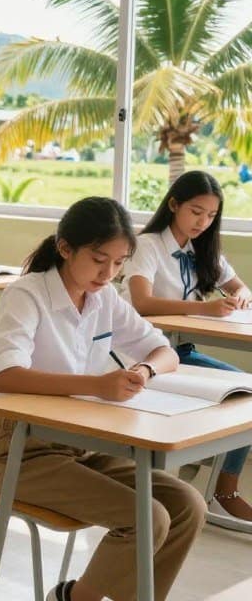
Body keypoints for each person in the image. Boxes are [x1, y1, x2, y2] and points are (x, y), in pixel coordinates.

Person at [0, 197, 204, 601]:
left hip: (83, 444)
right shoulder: (26, 294)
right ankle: (72, 598)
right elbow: (5, 376)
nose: (109, 274)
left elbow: (163, 349)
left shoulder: (103, 297)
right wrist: (96, 385)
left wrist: (144, 371)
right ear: (66, 248)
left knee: (189, 505)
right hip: (22, 452)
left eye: (120, 263)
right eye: (99, 259)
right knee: (148, 518)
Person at [123, 170, 252, 521]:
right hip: (142, 356)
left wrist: (239, 296)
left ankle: (221, 485)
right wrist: (203, 308)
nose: (203, 222)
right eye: (196, 211)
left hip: (179, 352)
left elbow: (241, 287)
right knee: (243, 390)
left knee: (244, 390)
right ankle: (218, 486)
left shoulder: (201, 248)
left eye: (211, 216)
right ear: (174, 204)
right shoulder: (147, 245)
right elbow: (141, 302)